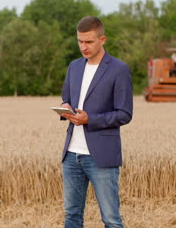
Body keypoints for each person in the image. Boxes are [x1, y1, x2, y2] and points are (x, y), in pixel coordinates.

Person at [59, 16, 133, 228]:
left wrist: (89, 119)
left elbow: (124, 113)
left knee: (111, 219)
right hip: (71, 155)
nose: (84, 46)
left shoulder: (119, 69)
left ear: (103, 39)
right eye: (80, 41)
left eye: (89, 42)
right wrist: (64, 107)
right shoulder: (73, 67)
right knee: (71, 216)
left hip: (101, 155)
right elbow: (66, 98)